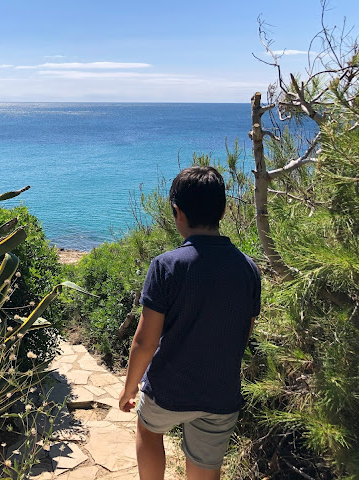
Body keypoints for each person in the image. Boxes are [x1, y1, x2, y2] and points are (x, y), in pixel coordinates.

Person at [118, 166, 261, 480]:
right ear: (223, 210)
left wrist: (129, 389)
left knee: (148, 428)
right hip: (220, 392)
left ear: (177, 212)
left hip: (169, 389)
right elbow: (243, 331)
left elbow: (145, 342)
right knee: (205, 468)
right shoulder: (248, 269)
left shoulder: (166, 266)